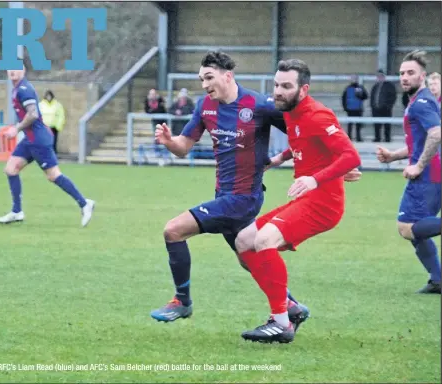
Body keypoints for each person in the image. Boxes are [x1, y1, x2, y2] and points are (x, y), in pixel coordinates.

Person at [149, 51, 311, 330]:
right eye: (201, 79)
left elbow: (304, 131)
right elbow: (184, 146)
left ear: (228, 75)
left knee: (173, 230)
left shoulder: (258, 105)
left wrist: (289, 159)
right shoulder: (205, 107)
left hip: (244, 198)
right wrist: (168, 142)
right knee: (249, 258)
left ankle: (182, 301)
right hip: (223, 195)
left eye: (209, 77)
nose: (204, 84)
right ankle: (292, 307)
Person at [235, 59, 362, 344]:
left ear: (303, 89)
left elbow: (351, 157)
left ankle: (280, 322)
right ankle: (290, 309)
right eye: (276, 85)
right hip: (306, 199)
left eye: (286, 86)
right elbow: (302, 142)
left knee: (264, 239)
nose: (278, 91)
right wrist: (277, 160)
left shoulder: (319, 115)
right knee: (244, 242)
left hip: (324, 203)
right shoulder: (290, 112)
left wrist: (315, 179)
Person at [0, 66, 95, 227]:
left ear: (24, 70)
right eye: (9, 68)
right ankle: (17, 211)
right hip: (30, 139)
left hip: (38, 140)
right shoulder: (17, 89)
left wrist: (16, 128)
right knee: (11, 169)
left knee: (53, 175)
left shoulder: (23, 89)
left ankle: (84, 204)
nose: (12, 71)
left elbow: (33, 114)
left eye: (16, 68)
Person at [376, 50, 441, 294]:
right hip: (432, 174)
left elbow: (436, 134)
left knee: (406, 226)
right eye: (402, 73)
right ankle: (438, 280)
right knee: (418, 231)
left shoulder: (422, 102)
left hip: (428, 175)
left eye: (410, 73)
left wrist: (419, 165)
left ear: (422, 76)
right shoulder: (418, 101)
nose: (404, 77)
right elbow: (421, 141)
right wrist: (394, 156)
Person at [341, 75, 368, 142]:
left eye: (355, 79)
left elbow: (365, 96)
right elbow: (343, 99)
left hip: (358, 109)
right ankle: (349, 138)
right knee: (350, 125)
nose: (354, 80)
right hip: (350, 109)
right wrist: (345, 108)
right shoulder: (347, 88)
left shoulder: (360, 87)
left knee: (358, 125)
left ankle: (358, 138)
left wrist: (361, 95)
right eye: (352, 79)